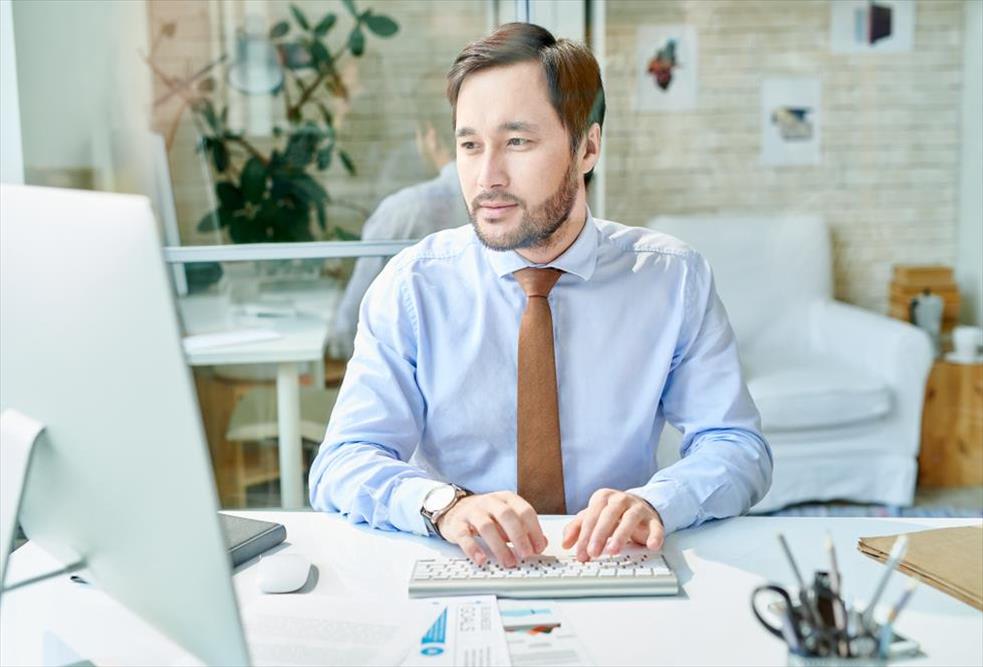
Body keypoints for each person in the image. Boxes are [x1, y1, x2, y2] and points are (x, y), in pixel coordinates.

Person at [309, 23, 772, 568]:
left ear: (587, 147)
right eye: (470, 145)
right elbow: (343, 461)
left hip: (613, 561)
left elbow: (738, 447)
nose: (487, 177)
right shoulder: (413, 287)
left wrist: (656, 502)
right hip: (460, 559)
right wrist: (443, 505)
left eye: (517, 142)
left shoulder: (673, 279)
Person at [327, 121, 467, 359]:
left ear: (430, 137)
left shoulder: (401, 210)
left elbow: (352, 321)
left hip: (405, 368)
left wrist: (334, 344)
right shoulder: (511, 206)